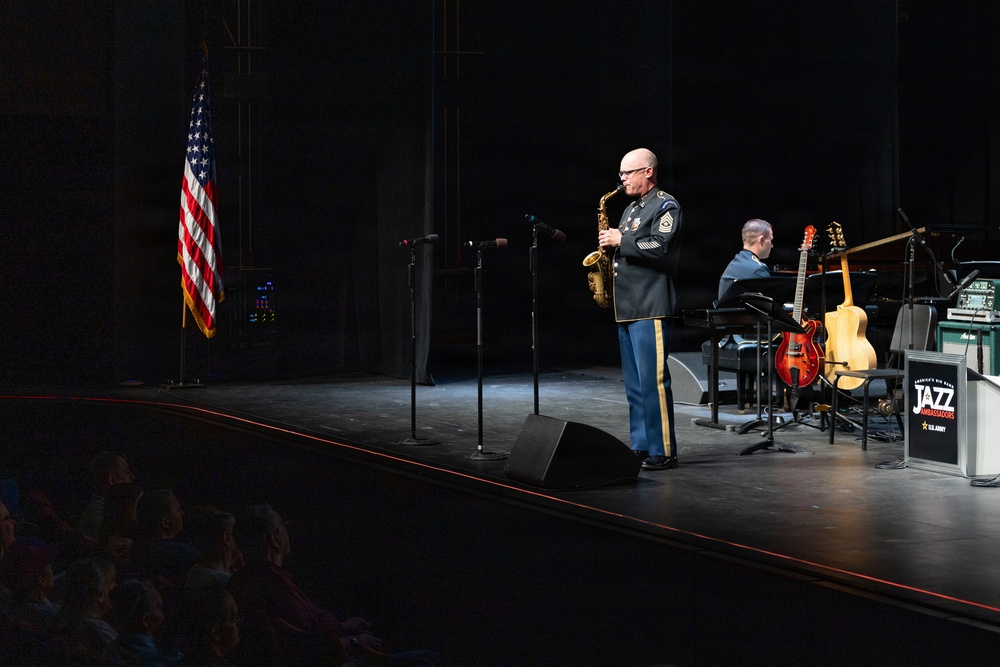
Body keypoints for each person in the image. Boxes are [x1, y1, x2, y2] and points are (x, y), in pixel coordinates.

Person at [226, 503, 441, 667]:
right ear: (274, 540)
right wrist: (354, 641)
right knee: (426, 659)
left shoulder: (245, 581)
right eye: (283, 525)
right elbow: (304, 644)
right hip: (336, 658)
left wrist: (344, 627)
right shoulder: (273, 586)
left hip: (334, 646)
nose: (287, 530)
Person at [598, 148, 684, 470]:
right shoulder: (631, 210)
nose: (622, 180)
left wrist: (621, 240)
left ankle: (662, 450)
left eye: (627, 173)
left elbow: (660, 248)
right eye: (620, 174)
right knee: (635, 385)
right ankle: (642, 444)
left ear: (647, 172)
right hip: (627, 306)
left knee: (653, 382)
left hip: (650, 305)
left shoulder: (666, 205)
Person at [79, 450, 137, 544]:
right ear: (112, 480)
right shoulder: (98, 518)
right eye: (127, 472)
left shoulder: (112, 510)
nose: (132, 476)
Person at [717, 218, 773, 303]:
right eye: (771, 240)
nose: (772, 245)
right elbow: (771, 307)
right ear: (761, 240)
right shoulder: (757, 269)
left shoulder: (734, 263)